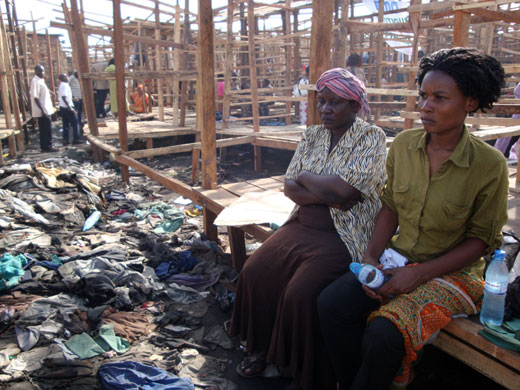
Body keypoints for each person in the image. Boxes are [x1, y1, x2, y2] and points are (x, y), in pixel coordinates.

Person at [318, 47, 509, 390]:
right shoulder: (405, 145)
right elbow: (390, 206)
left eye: (439, 97)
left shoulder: (488, 165)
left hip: (453, 274)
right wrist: (370, 258)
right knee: (332, 304)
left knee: (383, 333)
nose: (426, 106)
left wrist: (420, 273)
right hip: (398, 259)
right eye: (423, 95)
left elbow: (481, 240)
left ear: (470, 102)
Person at [229, 68, 387, 390]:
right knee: (256, 270)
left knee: (301, 293)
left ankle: (302, 367)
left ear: (355, 106)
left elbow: (347, 195)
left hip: (343, 233)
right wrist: (326, 189)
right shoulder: (312, 135)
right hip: (302, 224)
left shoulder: (371, 138)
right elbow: (291, 187)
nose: (326, 109)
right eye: (323, 102)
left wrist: (310, 180)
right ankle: (262, 349)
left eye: (336, 103)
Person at [30, 65, 55, 152]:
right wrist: (42, 110)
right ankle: (46, 147)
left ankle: (48, 145)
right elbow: (35, 97)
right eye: (40, 71)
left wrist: (51, 92)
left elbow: (44, 90)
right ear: (36, 71)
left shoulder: (41, 80)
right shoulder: (35, 81)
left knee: (48, 128)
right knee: (44, 129)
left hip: (47, 109)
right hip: (43, 110)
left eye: (43, 71)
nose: (42, 73)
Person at [58, 73, 80, 145]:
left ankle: (66, 140)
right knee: (75, 123)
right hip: (67, 108)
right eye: (65, 77)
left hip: (63, 107)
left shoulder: (62, 85)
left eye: (66, 76)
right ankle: (76, 139)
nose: (67, 78)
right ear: (62, 79)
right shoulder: (64, 85)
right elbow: (64, 97)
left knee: (66, 124)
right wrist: (70, 107)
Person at [69, 70, 83, 136]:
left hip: (80, 97)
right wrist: (72, 96)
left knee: (79, 111)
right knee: (75, 111)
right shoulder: (71, 78)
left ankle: (79, 122)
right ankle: (74, 123)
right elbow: (68, 87)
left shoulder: (79, 78)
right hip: (75, 97)